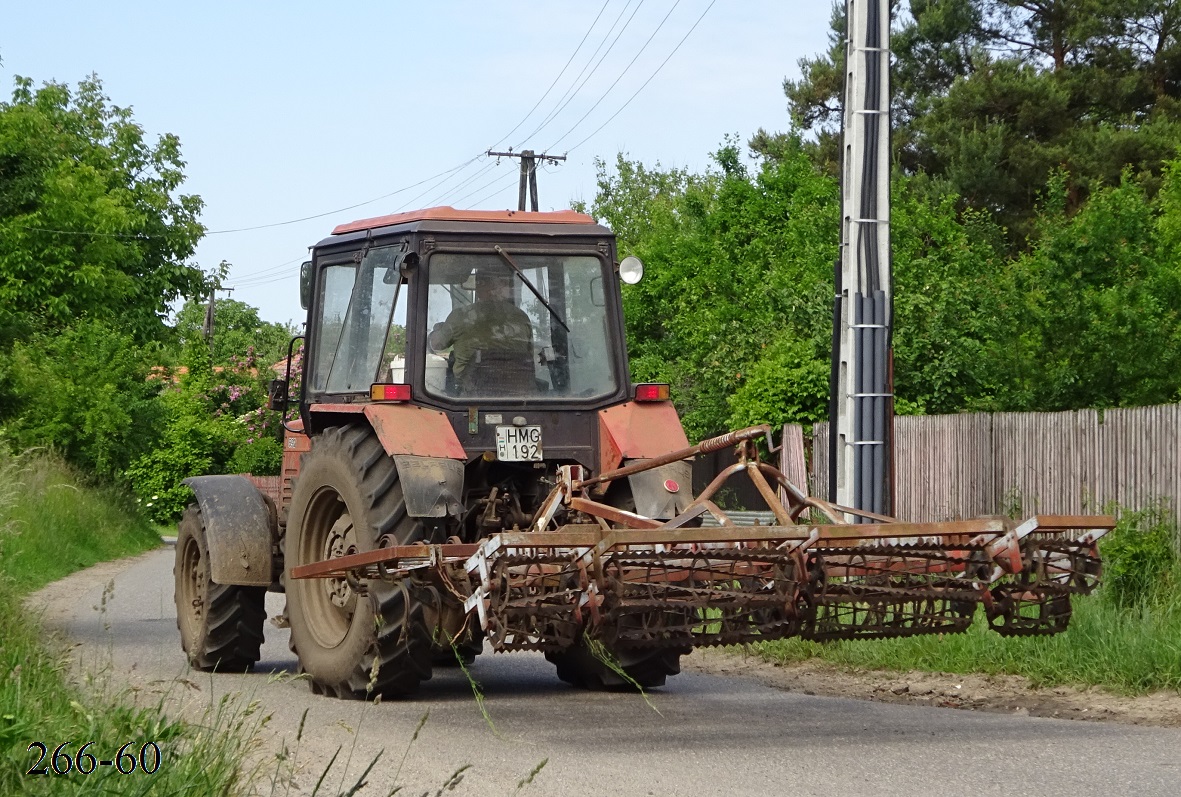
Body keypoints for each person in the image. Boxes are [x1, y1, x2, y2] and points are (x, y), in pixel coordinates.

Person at [428, 268, 534, 394]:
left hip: (471, 394)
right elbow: (529, 354)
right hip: (517, 394)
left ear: (479, 286)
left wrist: (437, 331)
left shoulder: (461, 316)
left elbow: (436, 345)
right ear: (501, 286)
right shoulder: (521, 317)